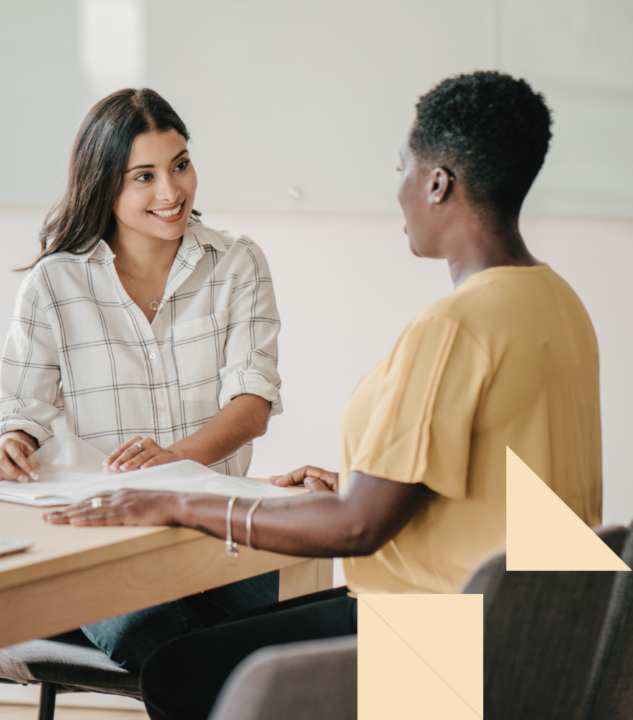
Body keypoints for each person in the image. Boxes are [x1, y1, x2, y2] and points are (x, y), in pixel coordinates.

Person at [46, 71, 603, 720]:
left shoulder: (453, 328)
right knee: (219, 643)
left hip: (450, 642)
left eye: (403, 168)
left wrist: (175, 499)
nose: (398, 189)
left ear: (437, 182)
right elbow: (497, 485)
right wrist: (356, 485)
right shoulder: (557, 303)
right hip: (545, 634)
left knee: (178, 671)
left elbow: (358, 528)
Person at [0, 88, 283, 671]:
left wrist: (169, 462)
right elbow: (18, 408)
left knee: (291, 634)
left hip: (217, 540)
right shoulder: (54, 284)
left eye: (180, 165)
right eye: (143, 176)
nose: (171, 192)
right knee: (168, 644)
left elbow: (252, 404)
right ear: (104, 185)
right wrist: (11, 442)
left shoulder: (237, 263)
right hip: (101, 549)